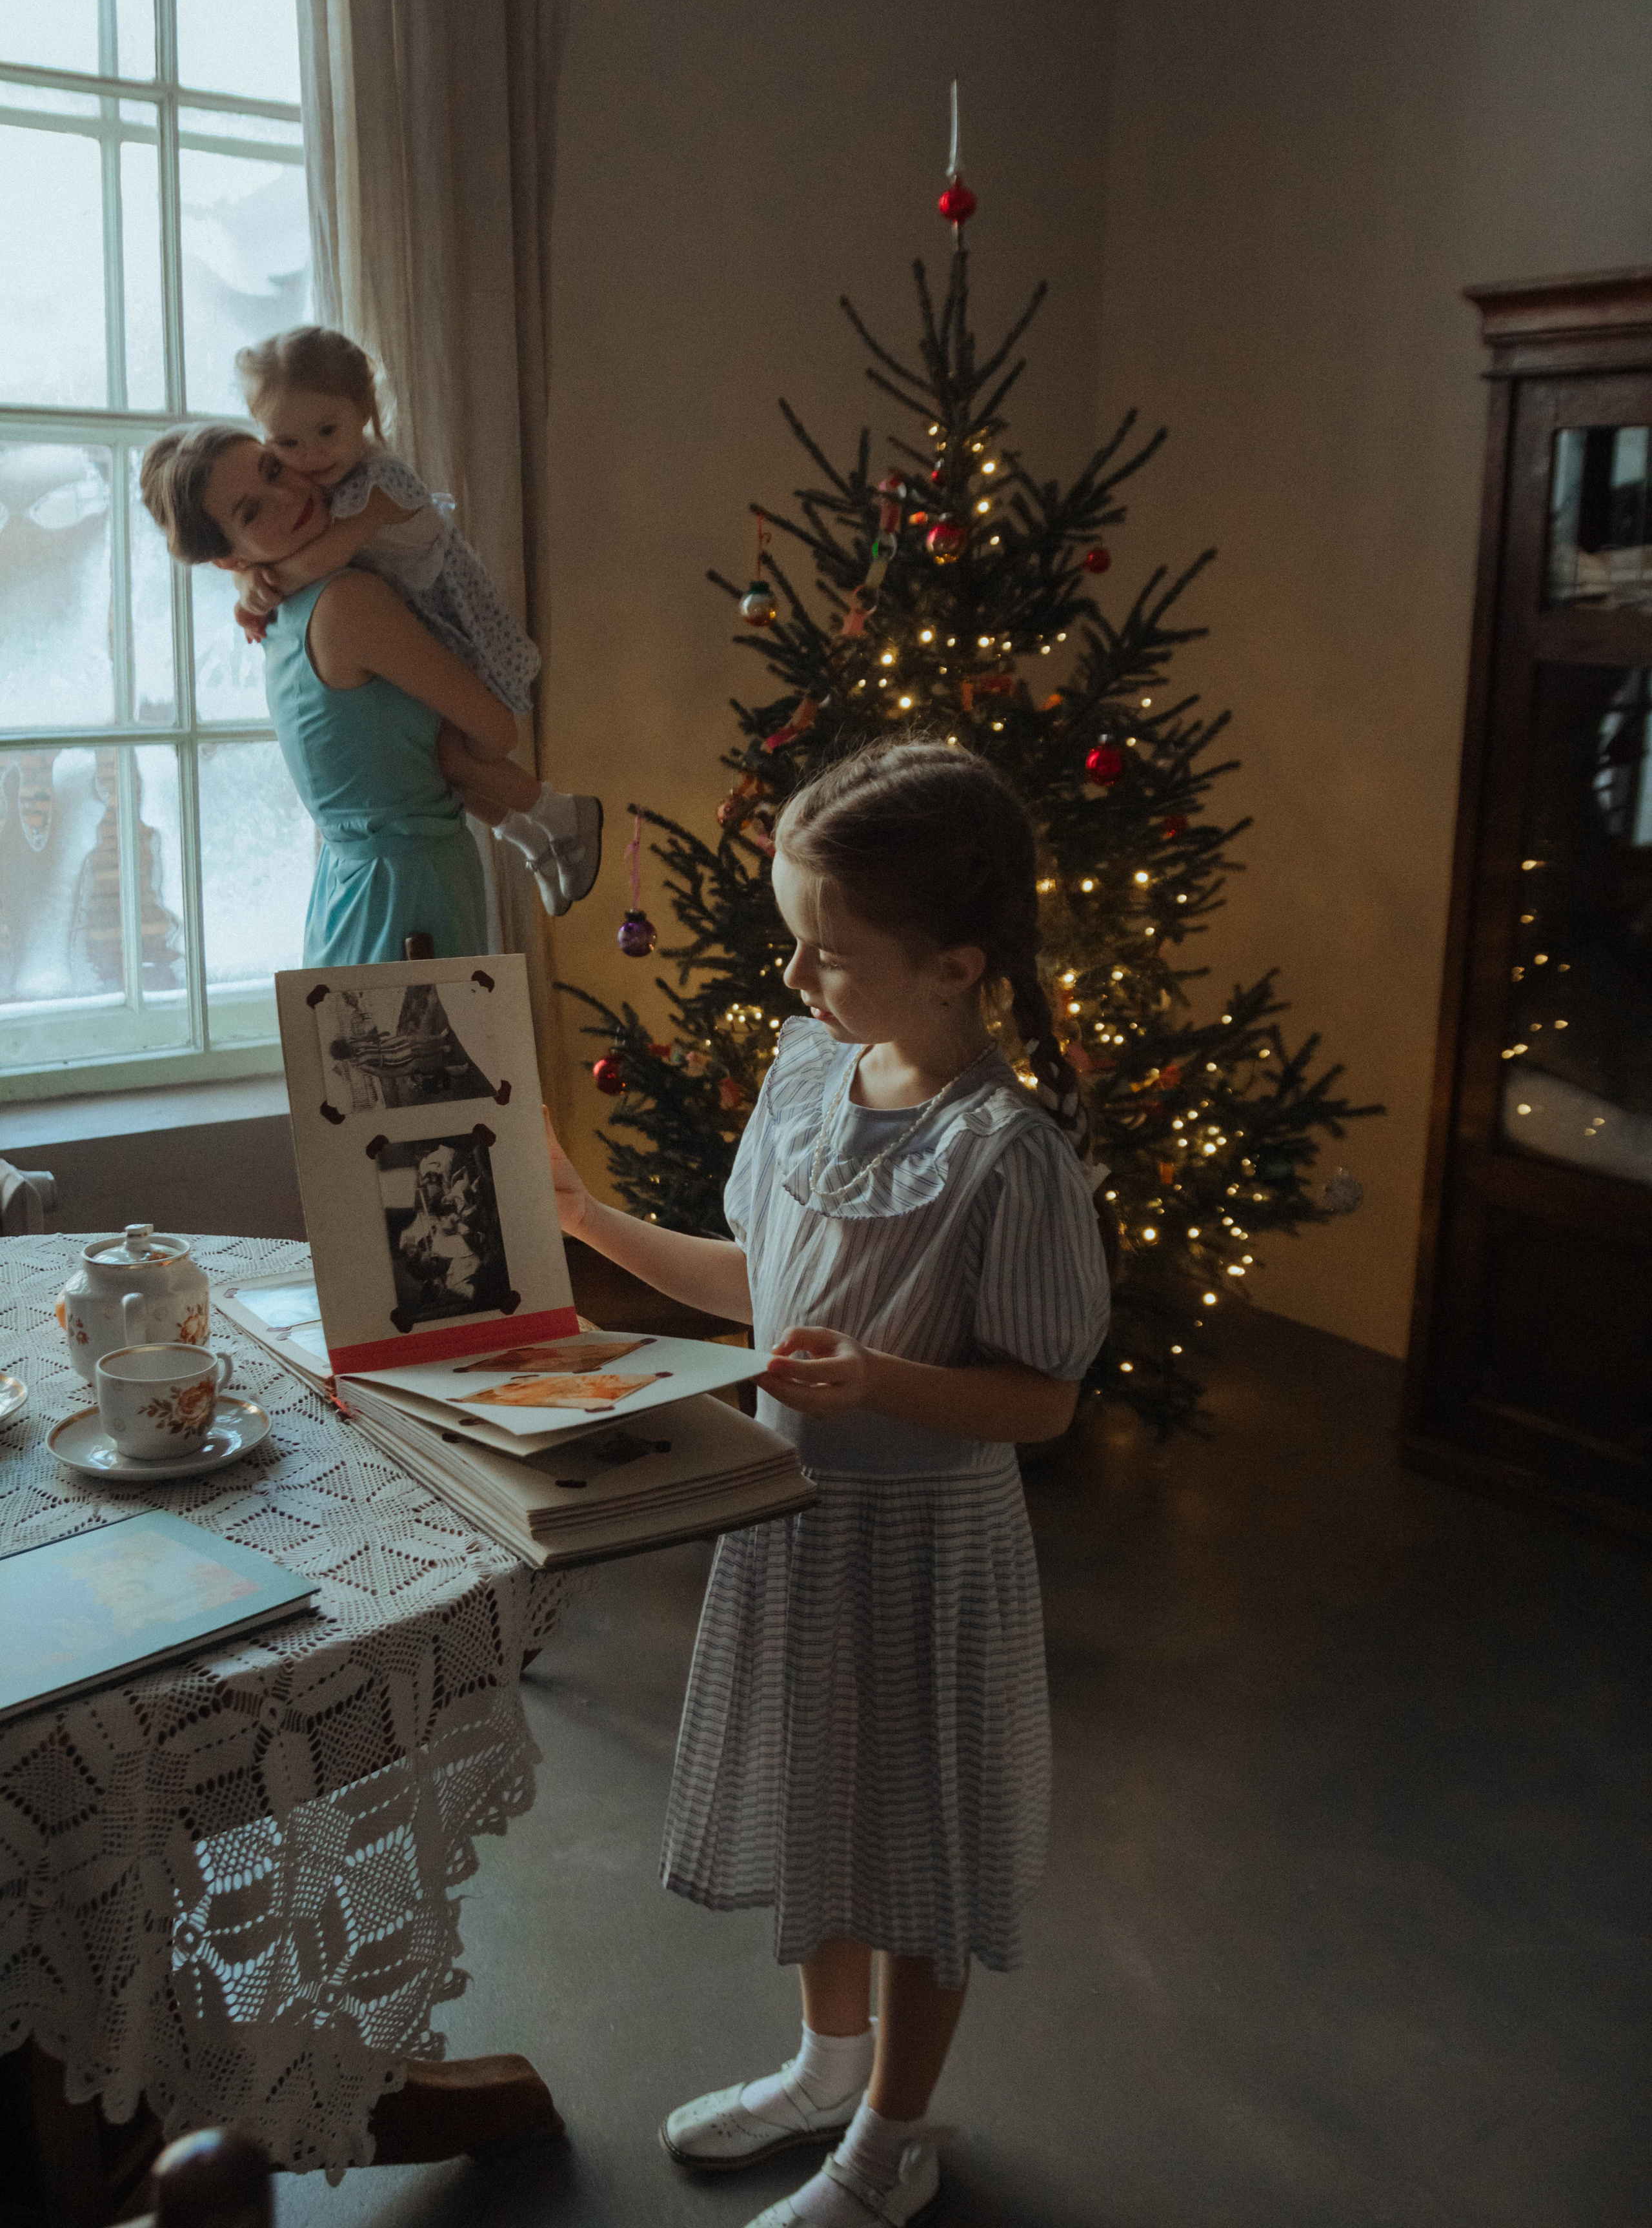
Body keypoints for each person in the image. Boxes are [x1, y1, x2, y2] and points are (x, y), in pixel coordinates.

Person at [545, 742, 1109, 2228]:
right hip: (792, 1523)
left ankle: (895, 2132)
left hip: (925, 1546)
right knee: (821, 1801)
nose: (793, 970)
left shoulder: (1006, 1155)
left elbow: (1039, 1396)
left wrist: (880, 1383)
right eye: (792, 931)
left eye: (829, 949)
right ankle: (819, 2062)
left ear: (954, 965)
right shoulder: (808, 1077)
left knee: (915, 1837)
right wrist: (587, 1218)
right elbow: (765, 1280)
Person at [229, 325, 601, 918]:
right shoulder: (327, 481)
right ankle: (532, 838)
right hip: (417, 621)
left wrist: (257, 589)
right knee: (432, 768)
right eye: (288, 445)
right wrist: (246, 573)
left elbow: (323, 556)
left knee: (455, 756)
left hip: (453, 618)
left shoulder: (383, 480)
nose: (312, 456)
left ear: (365, 412)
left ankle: (562, 814)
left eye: (328, 431)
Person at [141, 422, 508, 963]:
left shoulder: (285, 609)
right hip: (409, 899)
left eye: (273, 469)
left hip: (350, 892)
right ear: (229, 560)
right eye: (251, 512)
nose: (287, 497)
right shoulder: (348, 601)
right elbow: (499, 728)